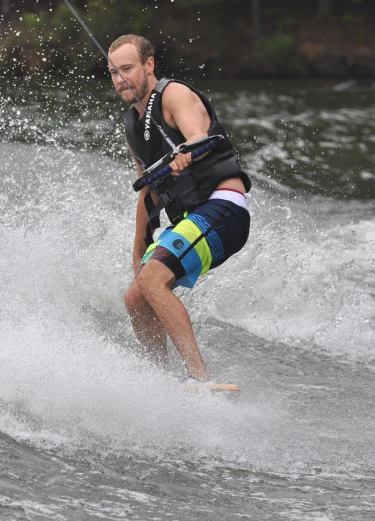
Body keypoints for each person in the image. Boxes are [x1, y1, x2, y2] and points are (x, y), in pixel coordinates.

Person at [109, 35, 252, 383]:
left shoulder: (174, 95)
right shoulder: (131, 127)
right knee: (136, 296)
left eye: (127, 68)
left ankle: (199, 380)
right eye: (113, 72)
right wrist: (138, 251)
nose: (120, 78)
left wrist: (186, 150)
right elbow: (148, 194)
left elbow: (199, 134)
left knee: (154, 279)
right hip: (192, 220)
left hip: (224, 208)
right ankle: (160, 382)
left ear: (149, 65)